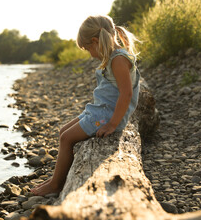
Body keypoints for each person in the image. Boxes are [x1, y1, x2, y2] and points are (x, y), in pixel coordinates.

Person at [31, 15, 141, 196]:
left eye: (88, 48)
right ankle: (57, 178)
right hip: (99, 110)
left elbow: (126, 93)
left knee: (67, 139)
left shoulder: (119, 59)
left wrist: (113, 124)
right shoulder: (112, 57)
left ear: (95, 41)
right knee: (63, 132)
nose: (89, 54)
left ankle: (55, 186)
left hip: (107, 116)